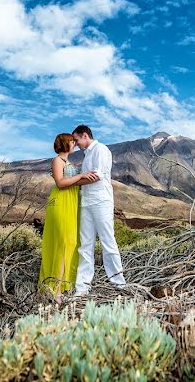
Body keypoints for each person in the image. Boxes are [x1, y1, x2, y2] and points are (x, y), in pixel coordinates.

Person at [38, 133, 100, 302]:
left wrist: (92, 178)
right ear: (65, 144)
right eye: (72, 141)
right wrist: (81, 175)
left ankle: (65, 285)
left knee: (72, 242)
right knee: (64, 242)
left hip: (72, 203)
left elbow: (74, 182)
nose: (75, 143)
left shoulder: (69, 163)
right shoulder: (57, 160)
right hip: (61, 202)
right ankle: (56, 290)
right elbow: (60, 183)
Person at [72, 124, 126, 295]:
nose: (75, 144)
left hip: (101, 201)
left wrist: (73, 181)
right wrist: (79, 178)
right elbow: (87, 177)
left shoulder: (101, 150)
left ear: (85, 136)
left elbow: (96, 176)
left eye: (76, 139)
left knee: (107, 241)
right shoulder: (87, 154)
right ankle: (82, 288)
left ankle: (119, 284)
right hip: (86, 202)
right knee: (85, 245)